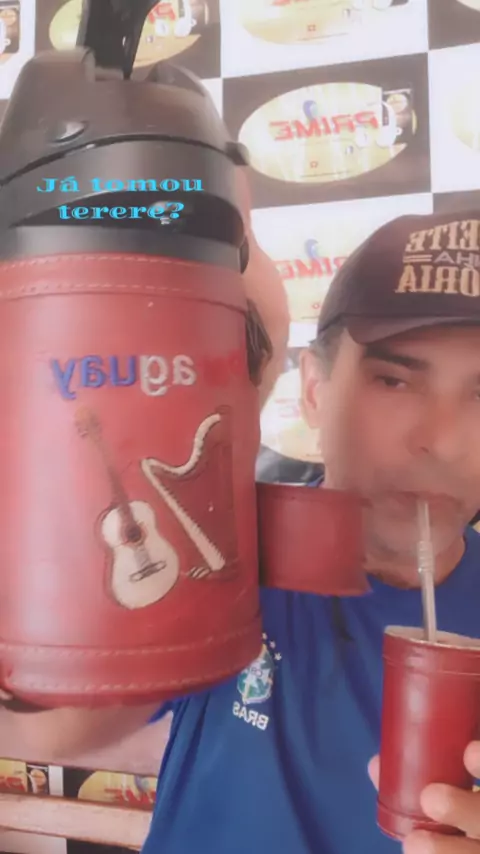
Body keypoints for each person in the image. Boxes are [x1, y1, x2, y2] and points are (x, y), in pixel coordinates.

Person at [3, 205, 480, 854]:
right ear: (314, 390)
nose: (442, 441)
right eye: (394, 380)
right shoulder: (225, 549)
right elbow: (52, 732)